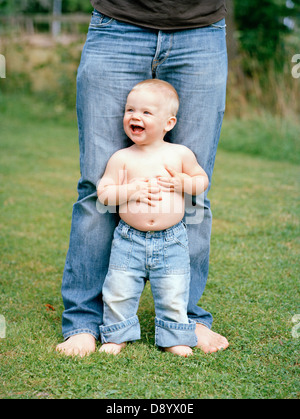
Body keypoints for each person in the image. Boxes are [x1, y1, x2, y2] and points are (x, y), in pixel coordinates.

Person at [56, 0, 229, 357]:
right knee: (95, 185)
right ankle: (86, 324)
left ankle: (186, 320)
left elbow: (196, 183)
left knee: (195, 190)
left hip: (201, 26)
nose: (134, 116)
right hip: (117, 21)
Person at [97, 79, 209, 357]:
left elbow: (201, 181)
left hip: (171, 239)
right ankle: (116, 335)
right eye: (130, 110)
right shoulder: (122, 158)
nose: (135, 116)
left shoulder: (179, 154)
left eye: (146, 112)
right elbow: (104, 193)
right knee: (119, 291)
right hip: (128, 239)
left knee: (173, 290)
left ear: (168, 123)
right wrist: (130, 191)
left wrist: (184, 182)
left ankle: (174, 337)